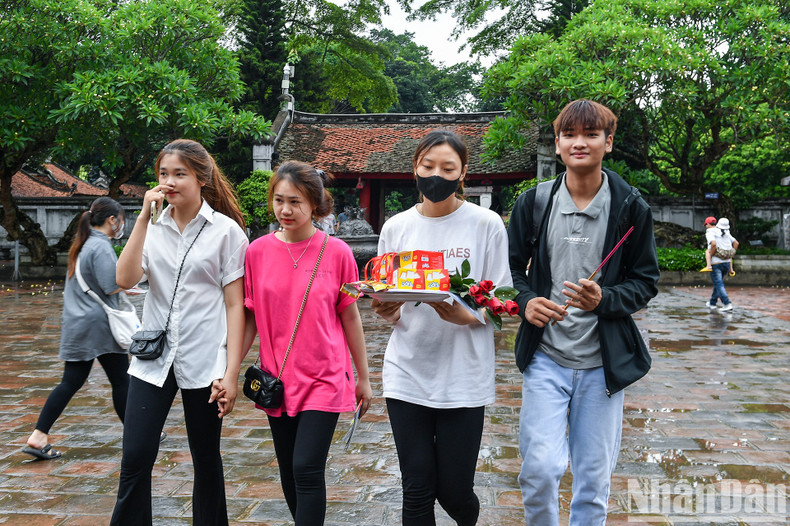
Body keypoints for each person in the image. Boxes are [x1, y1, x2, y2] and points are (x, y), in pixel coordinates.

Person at [507, 99, 659, 525]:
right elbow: (512, 269)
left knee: (593, 479)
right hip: (546, 357)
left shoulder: (631, 207)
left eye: (591, 134)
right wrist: (525, 301)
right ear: (556, 144)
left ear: (608, 143)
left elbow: (646, 281)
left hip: (602, 364)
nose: (580, 142)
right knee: (539, 469)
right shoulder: (534, 203)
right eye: (569, 134)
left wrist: (604, 299)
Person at [371, 130, 511, 526]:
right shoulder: (396, 228)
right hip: (408, 371)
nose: (437, 175)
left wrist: (471, 316)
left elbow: (501, 296)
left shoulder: (486, 225)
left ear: (463, 172)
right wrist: (387, 311)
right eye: (428, 166)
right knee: (417, 490)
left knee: (454, 492)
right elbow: (391, 299)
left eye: (448, 168)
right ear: (414, 168)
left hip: (463, 373)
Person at [111, 139, 249, 525]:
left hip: (205, 360)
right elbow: (124, 279)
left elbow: (235, 305)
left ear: (201, 178)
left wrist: (231, 373)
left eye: (179, 174)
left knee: (206, 458)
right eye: (162, 174)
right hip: (152, 359)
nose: (169, 182)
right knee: (135, 454)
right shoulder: (151, 227)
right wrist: (141, 219)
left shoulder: (227, 233)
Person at [242, 161, 372, 526]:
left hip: (325, 376)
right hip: (277, 379)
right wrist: (227, 366)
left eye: (295, 202)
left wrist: (364, 377)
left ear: (314, 204)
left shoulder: (338, 253)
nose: (285, 210)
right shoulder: (257, 252)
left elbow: (350, 315)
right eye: (279, 200)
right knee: (288, 471)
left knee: (306, 467)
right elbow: (250, 315)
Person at [23, 197, 130, 461]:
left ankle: (38, 436)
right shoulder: (101, 246)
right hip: (98, 326)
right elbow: (110, 284)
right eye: (122, 220)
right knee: (120, 379)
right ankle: (138, 433)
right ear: (112, 220)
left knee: (80, 381)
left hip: (79, 323)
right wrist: (131, 279)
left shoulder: (82, 243)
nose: (122, 226)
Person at [706, 217, 738, 311]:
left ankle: (727, 303)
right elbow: (736, 243)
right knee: (718, 283)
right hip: (727, 263)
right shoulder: (727, 233)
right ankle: (712, 302)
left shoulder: (710, 232)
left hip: (716, 263)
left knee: (719, 284)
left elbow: (713, 244)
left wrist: (711, 254)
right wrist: (732, 252)